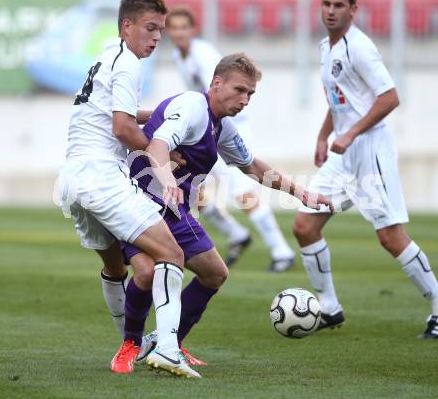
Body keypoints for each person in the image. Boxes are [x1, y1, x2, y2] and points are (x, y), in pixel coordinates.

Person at [118, 53, 333, 372]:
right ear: (217, 84)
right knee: (147, 273)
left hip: (175, 210)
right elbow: (157, 146)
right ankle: (130, 345)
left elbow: (252, 167)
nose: (245, 99)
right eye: (239, 90)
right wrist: (166, 182)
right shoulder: (193, 106)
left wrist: (301, 192)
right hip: (139, 200)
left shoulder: (223, 128)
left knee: (215, 273)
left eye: (250, 93)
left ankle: (167, 346)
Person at [55, 0, 200, 378]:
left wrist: (155, 115)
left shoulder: (107, 56)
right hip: (103, 175)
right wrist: (162, 153)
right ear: (127, 26)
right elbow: (121, 129)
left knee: (119, 267)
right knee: (171, 253)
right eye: (150, 29)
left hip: (72, 180)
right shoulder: (130, 64)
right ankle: (167, 349)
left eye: (161, 31)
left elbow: (110, 112)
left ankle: (129, 346)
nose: (156, 38)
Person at [292, 0, 438, 339]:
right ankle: (329, 308)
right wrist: (324, 134)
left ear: (353, 10)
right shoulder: (327, 47)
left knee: (390, 237)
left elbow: (389, 97)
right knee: (305, 226)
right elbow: (340, 99)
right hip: (342, 152)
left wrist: (351, 133)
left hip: (369, 149)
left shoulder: (360, 48)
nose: (330, 10)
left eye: (338, 5)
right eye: (326, 4)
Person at [164, 7, 295, 272]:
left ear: (193, 30)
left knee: (241, 190)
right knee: (190, 184)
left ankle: (281, 250)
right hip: (205, 125)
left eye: (183, 27)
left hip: (228, 127)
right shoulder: (180, 56)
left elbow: (224, 89)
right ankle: (236, 234)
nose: (179, 33)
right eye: (174, 28)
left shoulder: (203, 55)